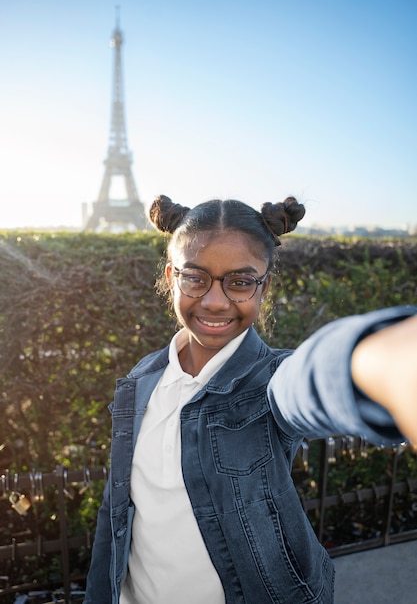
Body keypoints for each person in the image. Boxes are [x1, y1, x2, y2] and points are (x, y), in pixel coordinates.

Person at [84, 194, 417, 604]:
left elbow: (304, 385)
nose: (215, 300)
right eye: (195, 278)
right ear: (172, 277)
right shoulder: (142, 378)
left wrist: (368, 362)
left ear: (265, 286)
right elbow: (115, 512)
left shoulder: (270, 380)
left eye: (240, 282)